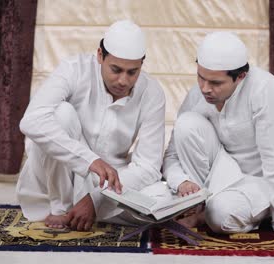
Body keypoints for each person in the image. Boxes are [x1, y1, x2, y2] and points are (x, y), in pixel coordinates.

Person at [16, 20, 170, 231]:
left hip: (108, 184)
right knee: (62, 114)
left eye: (132, 72)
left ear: (141, 65)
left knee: (162, 198)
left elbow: (149, 166)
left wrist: (96, 199)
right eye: (116, 69)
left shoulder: (152, 92)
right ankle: (61, 207)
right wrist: (89, 160)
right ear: (100, 55)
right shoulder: (74, 69)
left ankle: (88, 208)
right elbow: (31, 121)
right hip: (55, 177)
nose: (123, 81)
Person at [163, 32, 274, 234]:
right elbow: (173, 153)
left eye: (216, 83)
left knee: (219, 216)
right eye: (201, 77)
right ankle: (202, 206)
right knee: (186, 123)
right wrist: (180, 181)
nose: (205, 89)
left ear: (241, 76)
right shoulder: (199, 92)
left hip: (264, 183)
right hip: (223, 175)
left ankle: (210, 213)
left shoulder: (266, 90)